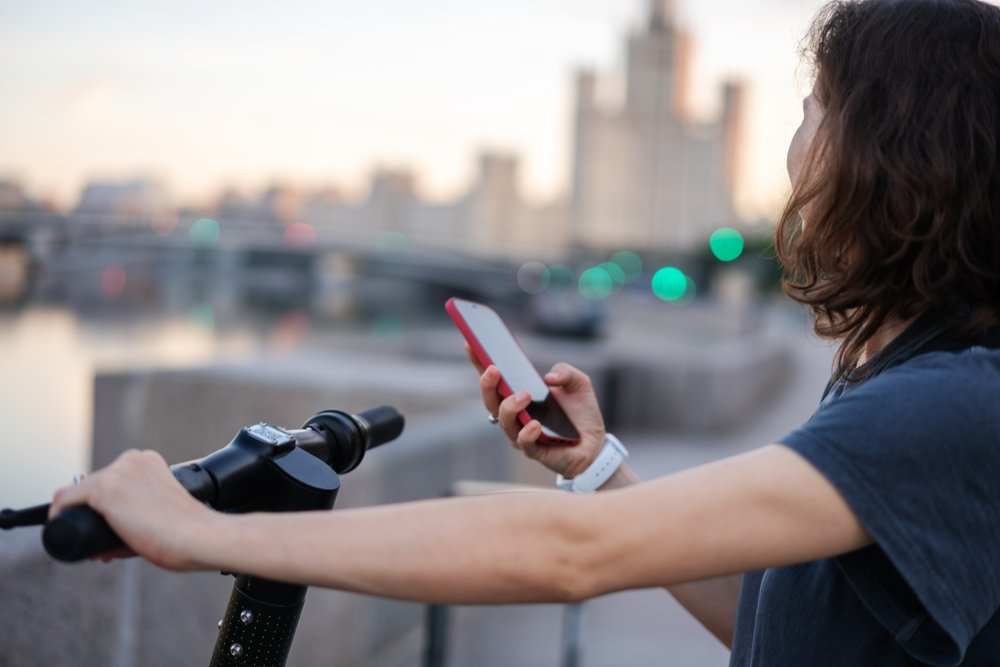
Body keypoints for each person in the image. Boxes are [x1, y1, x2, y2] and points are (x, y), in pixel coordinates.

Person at [50, 0, 1000, 664]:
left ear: (892, 157)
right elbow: (774, 628)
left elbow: (565, 556)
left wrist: (196, 527)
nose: (796, 150)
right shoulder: (907, 386)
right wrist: (598, 469)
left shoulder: (949, 404)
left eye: (815, 114)